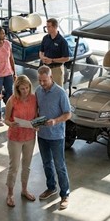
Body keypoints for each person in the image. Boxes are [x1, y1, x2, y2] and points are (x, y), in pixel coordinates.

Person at [35, 65, 72, 210]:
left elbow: (68, 114)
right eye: (40, 80)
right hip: (42, 135)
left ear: (51, 77)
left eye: (44, 80)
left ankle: (65, 194)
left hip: (56, 136)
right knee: (46, 163)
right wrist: (36, 122)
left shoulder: (60, 93)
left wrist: (55, 121)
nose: (42, 84)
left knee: (60, 166)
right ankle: (51, 188)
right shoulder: (38, 91)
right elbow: (37, 111)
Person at [4, 75, 38, 207]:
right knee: (14, 167)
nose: (25, 91)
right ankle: (10, 194)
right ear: (17, 89)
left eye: (27, 88)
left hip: (30, 136)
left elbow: (36, 116)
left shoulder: (34, 99)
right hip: (15, 137)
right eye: (22, 89)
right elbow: (6, 119)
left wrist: (37, 124)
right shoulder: (12, 100)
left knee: (27, 166)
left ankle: (24, 190)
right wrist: (10, 124)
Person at [0, 26, 16, 126]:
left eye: (4, 33)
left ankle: (10, 114)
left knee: (10, 94)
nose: (4, 35)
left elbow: (11, 59)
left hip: (8, 73)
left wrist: (14, 73)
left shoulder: (8, 44)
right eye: (2, 33)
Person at [39, 18, 70, 87]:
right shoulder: (45, 38)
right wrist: (42, 58)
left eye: (49, 27)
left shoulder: (62, 41)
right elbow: (41, 51)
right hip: (45, 68)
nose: (47, 28)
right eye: (46, 26)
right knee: (44, 88)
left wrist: (52, 60)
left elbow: (67, 58)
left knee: (57, 89)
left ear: (55, 27)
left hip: (56, 69)